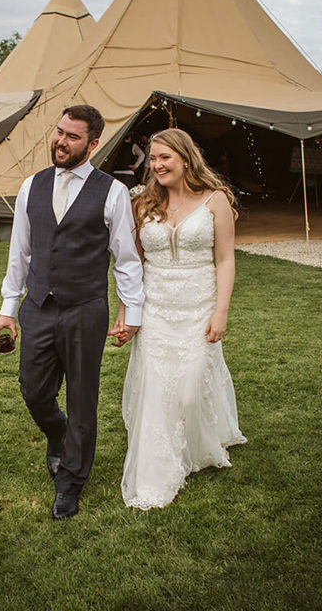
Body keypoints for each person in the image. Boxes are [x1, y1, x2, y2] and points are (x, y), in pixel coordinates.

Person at [0, 105, 144, 520]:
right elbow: (19, 252)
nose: (61, 141)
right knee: (33, 390)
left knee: (82, 399)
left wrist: (132, 314)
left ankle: (71, 481)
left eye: (72, 136)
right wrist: (8, 308)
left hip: (84, 310)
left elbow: (127, 259)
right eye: (59, 132)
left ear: (93, 144)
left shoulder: (111, 191)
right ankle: (56, 434)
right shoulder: (31, 186)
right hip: (38, 308)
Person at [119, 128, 246, 510]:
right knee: (158, 392)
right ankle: (158, 472)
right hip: (156, 309)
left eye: (164, 158)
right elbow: (133, 265)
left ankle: (195, 446)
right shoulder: (142, 203)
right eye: (152, 159)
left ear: (185, 159)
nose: (156, 165)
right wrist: (129, 314)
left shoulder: (215, 200)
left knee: (190, 391)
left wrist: (220, 311)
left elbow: (225, 259)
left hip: (198, 307)